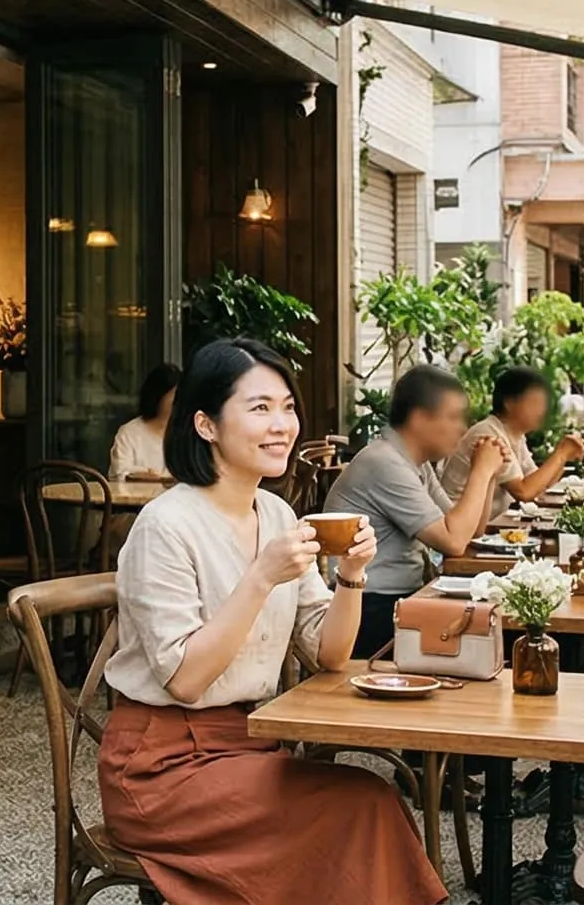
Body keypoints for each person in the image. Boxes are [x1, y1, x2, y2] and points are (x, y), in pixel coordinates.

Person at [99, 339, 447, 905]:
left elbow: (328, 654)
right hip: (163, 769)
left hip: (247, 747)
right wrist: (260, 578)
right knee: (354, 809)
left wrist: (354, 574)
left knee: (370, 799)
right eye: (259, 408)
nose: (282, 424)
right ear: (206, 425)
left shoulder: (277, 514)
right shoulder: (166, 525)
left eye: (287, 406)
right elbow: (184, 680)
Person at [323, 364, 510, 659]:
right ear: (420, 419)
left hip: (401, 599)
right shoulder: (384, 463)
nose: (462, 428)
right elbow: (453, 541)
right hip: (369, 609)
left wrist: (486, 474)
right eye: (452, 417)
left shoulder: (415, 463)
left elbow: (470, 530)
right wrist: (481, 470)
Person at [439, 365, 584, 504]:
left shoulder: (515, 435)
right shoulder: (489, 434)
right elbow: (524, 492)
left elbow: (540, 484)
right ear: (509, 403)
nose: (541, 411)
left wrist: (564, 455)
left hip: (482, 525)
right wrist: (561, 454)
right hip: (457, 524)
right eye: (534, 403)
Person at [109, 363, 184, 481]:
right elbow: (118, 474)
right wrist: (141, 476)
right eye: (174, 396)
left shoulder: (186, 432)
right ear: (158, 396)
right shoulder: (129, 433)